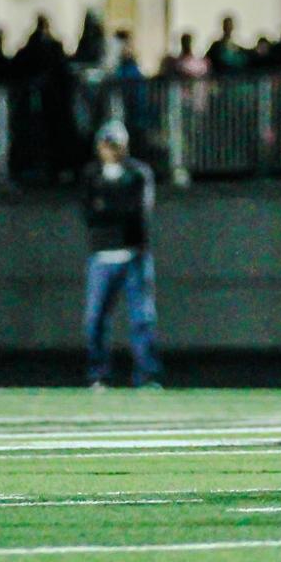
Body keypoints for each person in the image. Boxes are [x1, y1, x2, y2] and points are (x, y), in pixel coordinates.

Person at [82, 119, 162, 389]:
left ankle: (147, 375)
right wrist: (112, 209)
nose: (111, 150)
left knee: (142, 320)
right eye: (106, 144)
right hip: (102, 255)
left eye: (115, 144)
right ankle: (98, 375)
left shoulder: (137, 173)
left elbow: (136, 212)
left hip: (132, 254)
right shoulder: (92, 174)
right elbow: (90, 214)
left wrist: (108, 207)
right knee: (95, 321)